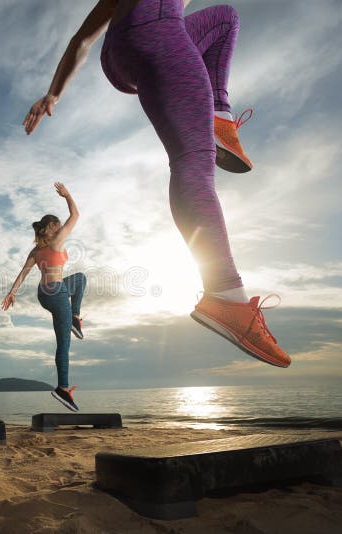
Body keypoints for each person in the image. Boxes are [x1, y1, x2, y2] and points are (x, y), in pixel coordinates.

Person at [23, 0, 291, 368]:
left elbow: (82, 38)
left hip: (120, 50)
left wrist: (54, 92)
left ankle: (220, 117)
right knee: (193, 163)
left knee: (225, 19)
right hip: (158, 32)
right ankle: (226, 294)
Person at [2, 183, 86, 412]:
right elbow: (75, 215)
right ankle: (63, 388)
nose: (62, 229)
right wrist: (68, 195)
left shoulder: (36, 251)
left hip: (44, 294)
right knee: (64, 344)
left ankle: (75, 318)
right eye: (58, 226)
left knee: (80, 279)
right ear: (52, 227)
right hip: (57, 293)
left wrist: (12, 292)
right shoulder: (57, 240)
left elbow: (24, 272)